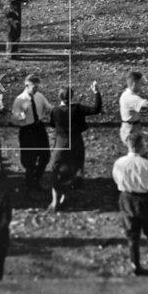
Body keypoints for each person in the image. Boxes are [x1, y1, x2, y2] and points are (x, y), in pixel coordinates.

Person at [112, 133, 148, 276]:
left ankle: (135, 264)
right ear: (141, 145)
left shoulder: (119, 163)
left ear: (128, 145)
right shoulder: (147, 164)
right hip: (145, 198)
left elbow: (117, 180)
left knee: (132, 233)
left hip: (126, 198)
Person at [47, 81, 102, 212]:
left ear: (59, 97)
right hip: (76, 140)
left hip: (61, 141)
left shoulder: (55, 111)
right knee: (74, 166)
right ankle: (66, 196)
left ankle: (55, 200)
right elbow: (96, 109)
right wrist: (96, 93)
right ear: (71, 97)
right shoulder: (78, 109)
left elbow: (52, 125)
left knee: (56, 168)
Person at [12, 75, 53, 196]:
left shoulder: (39, 96)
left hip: (39, 128)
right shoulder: (19, 100)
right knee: (30, 160)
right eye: (34, 87)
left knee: (45, 156)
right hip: (27, 131)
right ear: (26, 86)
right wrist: (23, 113)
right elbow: (15, 119)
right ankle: (31, 187)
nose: (36, 89)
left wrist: (60, 110)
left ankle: (36, 179)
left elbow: (48, 107)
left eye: (37, 87)